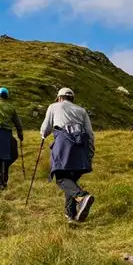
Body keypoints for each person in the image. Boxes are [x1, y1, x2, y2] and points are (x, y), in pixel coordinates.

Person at [40, 87, 95, 223]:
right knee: (71, 181)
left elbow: (46, 128)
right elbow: (89, 133)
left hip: (64, 143)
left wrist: (43, 135)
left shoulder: (54, 106)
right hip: (81, 147)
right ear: (72, 98)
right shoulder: (81, 111)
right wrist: (90, 152)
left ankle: (82, 197)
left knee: (60, 177)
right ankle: (70, 215)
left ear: (59, 97)